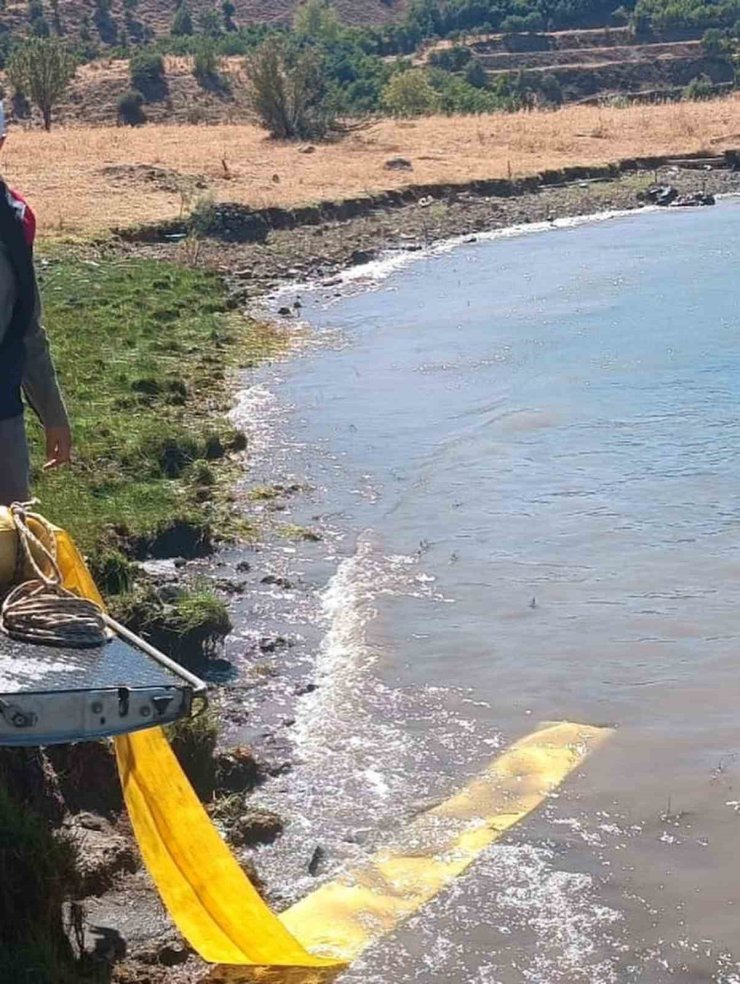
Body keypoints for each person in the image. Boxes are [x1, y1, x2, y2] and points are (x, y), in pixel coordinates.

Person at [0, 101, 71, 507]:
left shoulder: (15, 220)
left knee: (12, 543)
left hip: (2, 417)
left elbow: (27, 326)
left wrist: (53, 413)